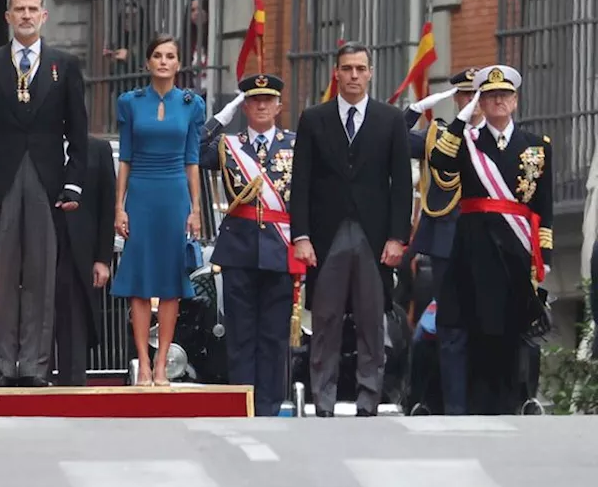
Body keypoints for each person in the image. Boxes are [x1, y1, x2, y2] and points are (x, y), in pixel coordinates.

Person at [0, 0, 88, 388]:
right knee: (0, 275)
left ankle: (34, 365)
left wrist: (73, 185)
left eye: (34, 9)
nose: (27, 16)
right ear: (8, 17)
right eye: (19, 10)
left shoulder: (64, 66)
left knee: (40, 276)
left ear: (44, 16)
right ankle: (4, 364)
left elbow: (79, 134)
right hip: (0, 183)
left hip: (48, 182)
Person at [289, 42, 412, 417]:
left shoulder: (390, 119)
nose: (354, 75)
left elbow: (402, 184)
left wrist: (397, 237)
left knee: (372, 320)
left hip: (374, 239)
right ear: (336, 74)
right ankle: (322, 400)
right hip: (326, 237)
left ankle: (368, 398)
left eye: (360, 68)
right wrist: (302, 236)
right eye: (347, 68)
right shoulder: (314, 119)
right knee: (324, 320)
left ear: (371, 73)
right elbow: (302, 182)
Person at [428, 65, 552, 416]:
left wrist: (545, 256)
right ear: (481, 100)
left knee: (510, 333)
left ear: (514, 100)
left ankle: (511, 404)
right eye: (490, 95)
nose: (498, 101)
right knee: (472, 328)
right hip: (474, 246)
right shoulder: (467, 141)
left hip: (515, 250)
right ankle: (469, 406)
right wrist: (462, 118)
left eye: (504, 95)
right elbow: (440, 162)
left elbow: (544, 206)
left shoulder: (536, 146)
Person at [199, 74, 300, 415]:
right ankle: (242, 404)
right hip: (239, 249)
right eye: (254, 100)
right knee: (240, 334)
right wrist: (219, 118)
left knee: (273, 335)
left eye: (267, 100)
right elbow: (193, 148)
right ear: (244, 106)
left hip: (280, 249)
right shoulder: (229, 146)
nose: (261, 105)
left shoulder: (295, 144)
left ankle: (270, 406)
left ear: (278, 106)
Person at [110, 35, 206, 386]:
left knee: (170, 282)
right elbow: (126, 159)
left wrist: (196, 210)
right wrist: (119, 208)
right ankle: (143, 363)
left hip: (175, 195)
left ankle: (163, 361)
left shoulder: (192, 103)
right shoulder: (130, 102)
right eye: (157, 56)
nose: (163, 61)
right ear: (147, 63)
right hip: (141, 194)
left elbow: (192, 160)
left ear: (179, 63)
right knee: (138, 282)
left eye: (170, 56)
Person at [400, 68, 483, 415]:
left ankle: (488, 404)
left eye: (478, 95)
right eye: (465, 95)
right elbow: (396, 137)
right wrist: (417, 108)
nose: (473, 103)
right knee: (450, 328)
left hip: (488, 243)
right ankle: (454, 408)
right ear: (457, 99)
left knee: (489, 326)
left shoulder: (503, 138)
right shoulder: (437, 136)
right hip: (448, 241)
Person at [56, 135, 116, 386]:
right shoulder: (34, 144)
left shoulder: (98, 149)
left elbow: (107, 204)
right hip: (42, 245)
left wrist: (103, 258)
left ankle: (74, 387)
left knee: (75, 324)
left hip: (81, 252)